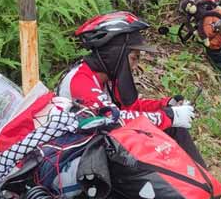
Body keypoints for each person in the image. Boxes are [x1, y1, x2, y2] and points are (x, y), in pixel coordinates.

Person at [60, 11, 206, 166]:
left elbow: (132, 107)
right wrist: (168, 116)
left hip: (106, 145)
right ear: (116, 54)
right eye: (134, 58)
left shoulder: (108, 80)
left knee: (174, 127)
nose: (136, 67)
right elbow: (112, 120)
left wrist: (165, 105)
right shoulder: (80, 80)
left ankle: (201, 180)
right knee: (168, 125)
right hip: (83, 157)